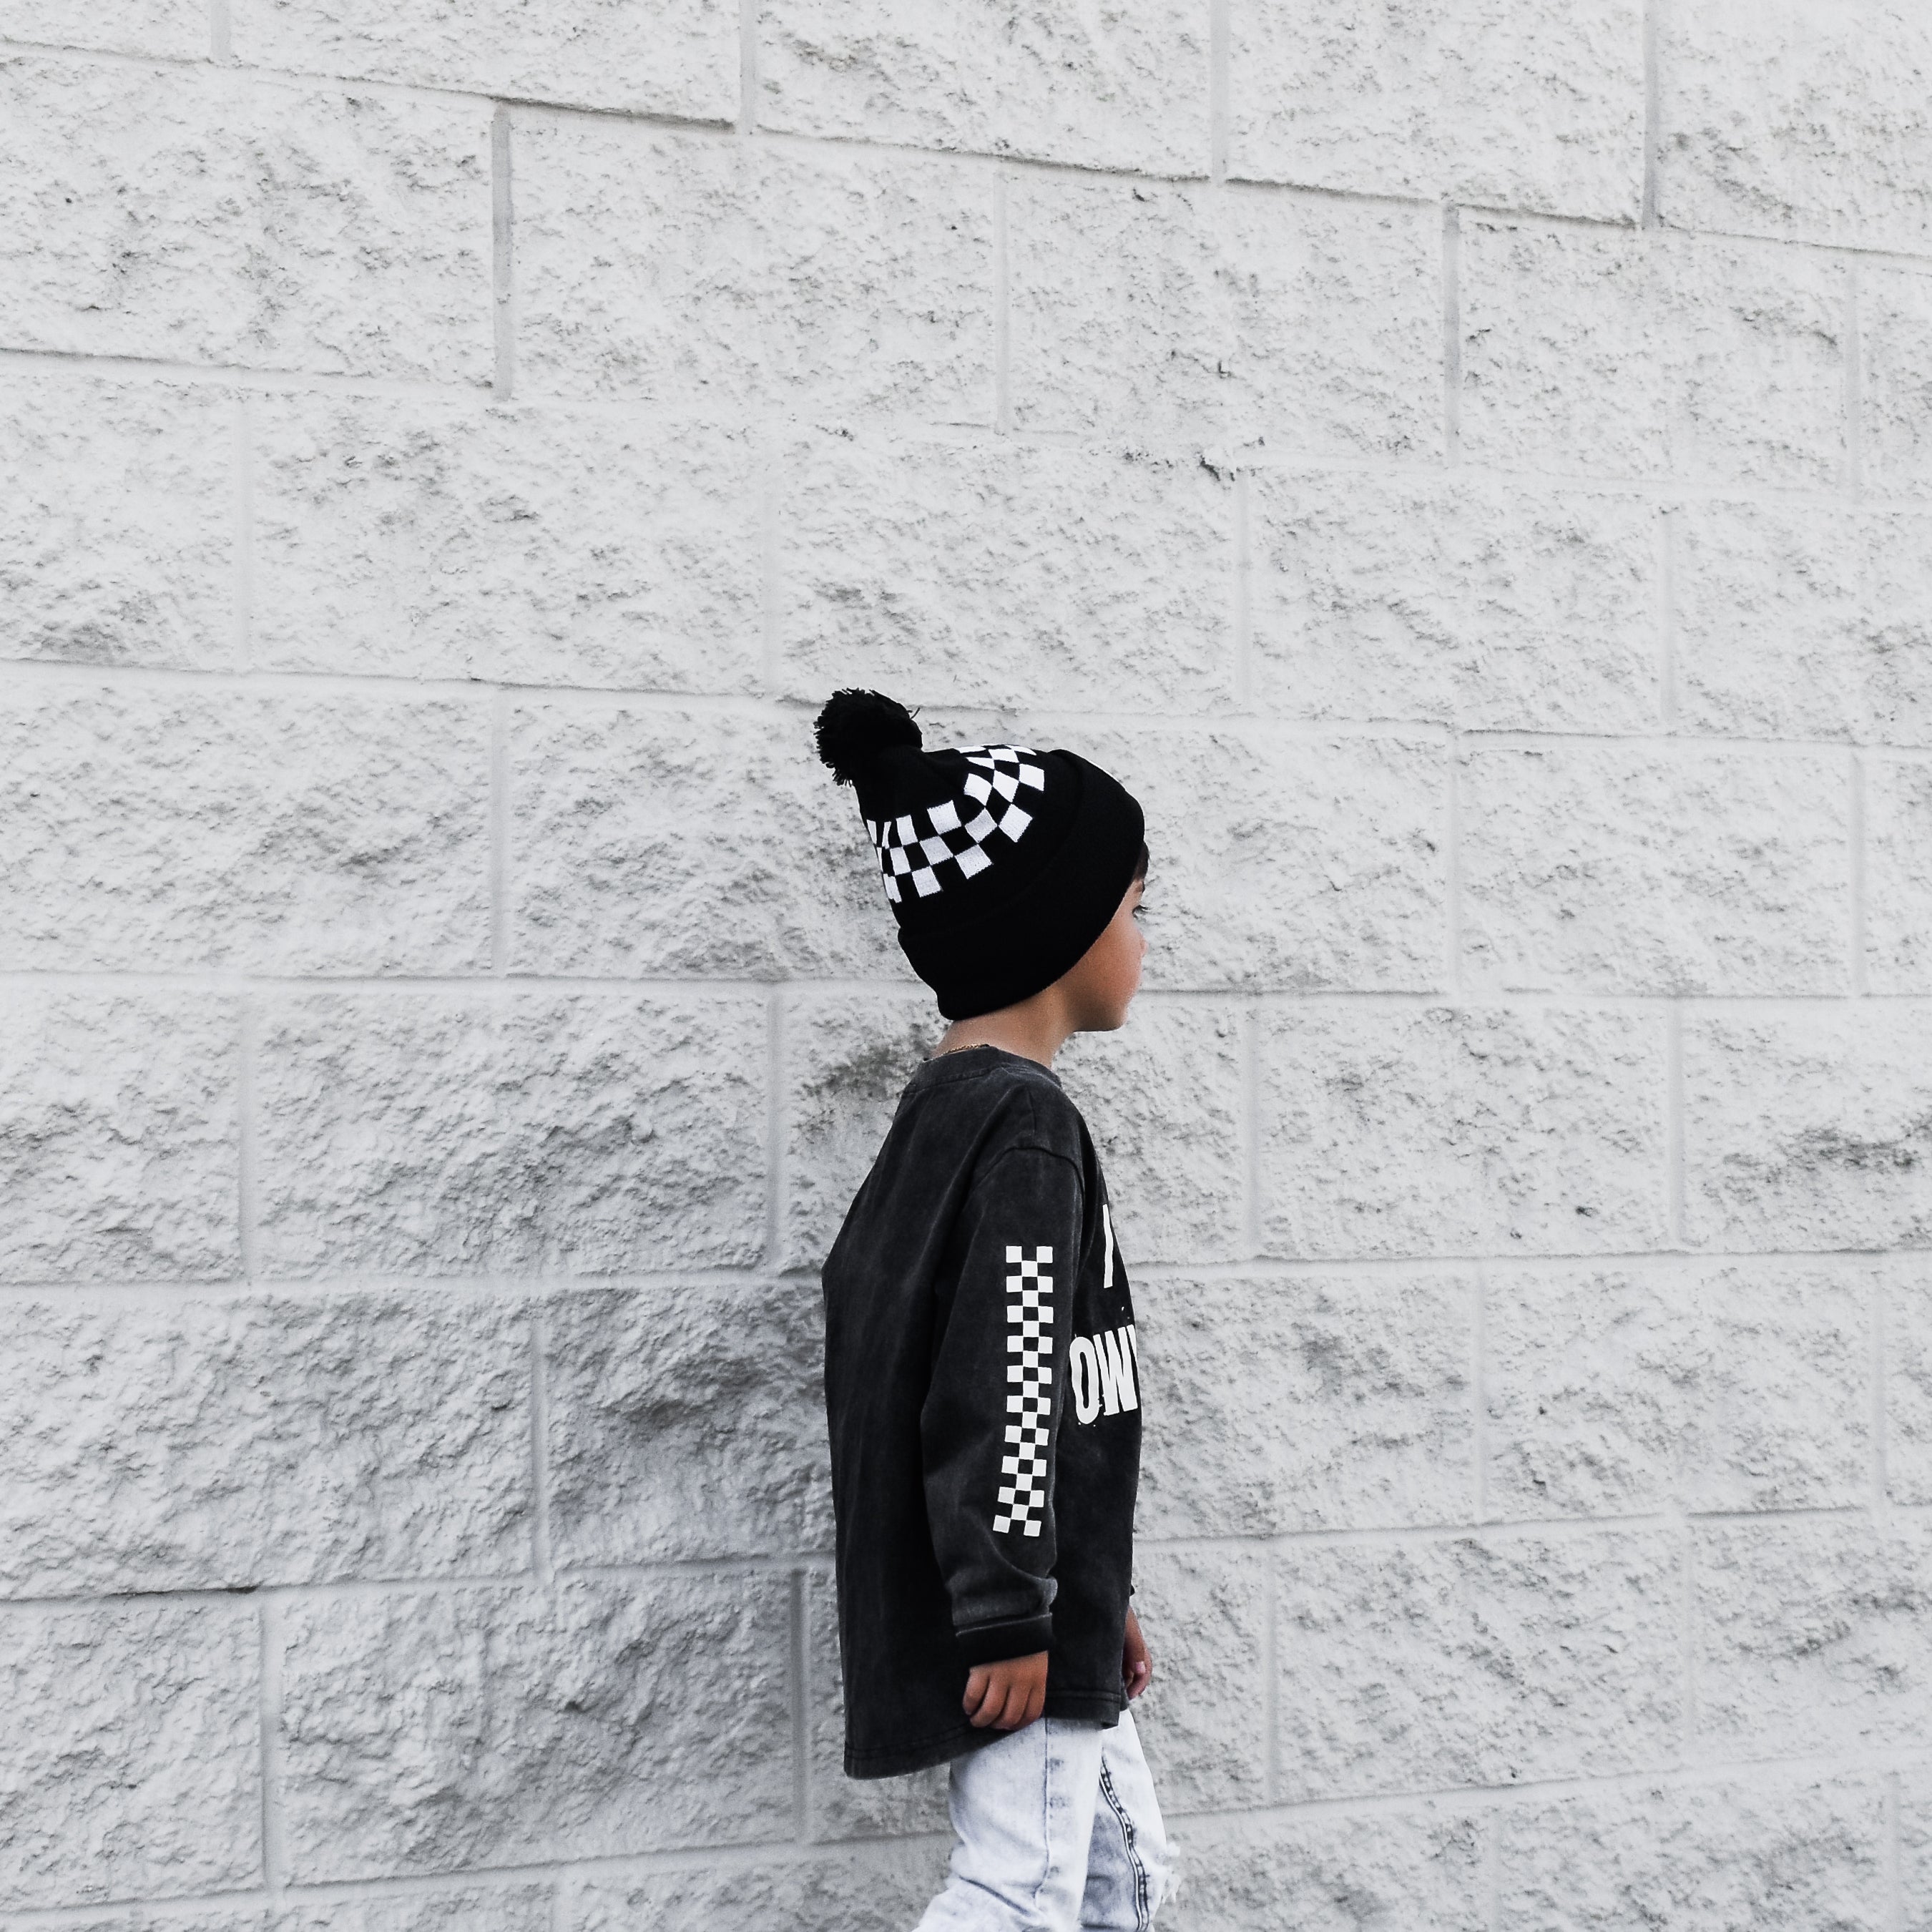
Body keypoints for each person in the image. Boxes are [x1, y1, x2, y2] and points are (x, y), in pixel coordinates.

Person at [813, 690, 1172, 1931]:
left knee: (1117, 1876)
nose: (1143, 934)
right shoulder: (1025, 1126)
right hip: (1009, 1617)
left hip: (1040, 1592)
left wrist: (1093, 1581)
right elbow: (1006, 1369)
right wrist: (1015, 1603)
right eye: (1135, 907)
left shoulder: (944, 1112)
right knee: (1021, 1890)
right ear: (1059, 928)